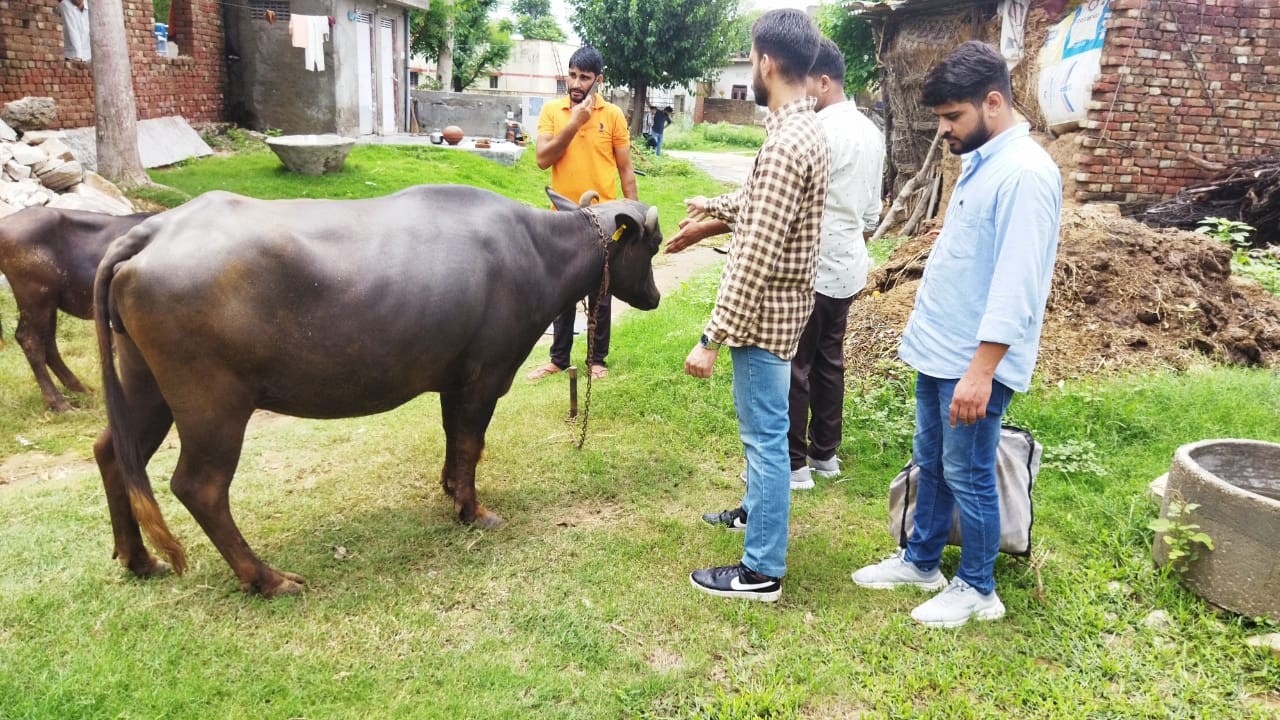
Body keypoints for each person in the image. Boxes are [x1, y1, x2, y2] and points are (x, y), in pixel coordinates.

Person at [850, 41, 1061, 628]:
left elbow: (1017, 285)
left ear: (993, 102)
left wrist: (982, 370)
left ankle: (977, 586)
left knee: (969, 471)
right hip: (941, 350)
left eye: (952, 117)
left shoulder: (1024, 175)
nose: (944, 131)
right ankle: (921, 561)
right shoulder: (986, 161)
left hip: (973, 361)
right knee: (932, 462)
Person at [665, 8, 828, 602]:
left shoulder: (789, 142)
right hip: (779, 314)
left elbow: (757, 252)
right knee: (765, 434)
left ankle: (760, 569)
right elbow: (760, 202)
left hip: (764, 321)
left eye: (752, 56)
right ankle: (756, 519)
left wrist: (710, 338)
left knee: (765, 438)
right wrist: (710, 207)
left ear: (765, 61)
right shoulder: (797, 130)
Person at [784, 38, 885, 490]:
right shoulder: (871, 132)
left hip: (812, 268)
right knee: (829, 360)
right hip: (848, 267)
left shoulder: (818, 131)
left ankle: (794, 464)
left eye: (803, 82)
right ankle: (826, 454)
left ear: (823, 82)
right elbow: (870, 217)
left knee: (795, 363)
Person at [526, 46, 638, 382]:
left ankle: (596, 360)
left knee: (601, 292)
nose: (576, 83)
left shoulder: (614, 116)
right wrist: (575, 122)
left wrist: (634, 218)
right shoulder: (552, 111)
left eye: (584, 77)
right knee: (561, 294)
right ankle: (557, 359)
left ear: (598, 80)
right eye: (572, 75)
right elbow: (543, 158)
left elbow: (625, 170)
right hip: (562, 219)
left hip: (604, 219)